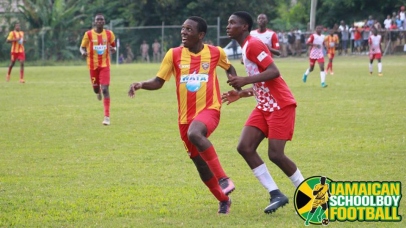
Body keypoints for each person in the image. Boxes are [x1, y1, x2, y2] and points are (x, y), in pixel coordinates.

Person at [127, 16, 237, 214]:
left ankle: (223, 178)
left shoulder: (215, 52)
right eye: (182, 29)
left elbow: (229, 68)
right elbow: (159, 81)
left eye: (189, 29)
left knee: (195, 133)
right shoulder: (174, 54)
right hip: (184, 118)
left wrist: (234, 82)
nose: (183, 32)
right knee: (201, 165)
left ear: (201, 35)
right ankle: (223, 199)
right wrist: (142, 84)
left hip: (210, 109)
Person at [223, 11, 305, 214]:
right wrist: (241, 94)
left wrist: (243, 80)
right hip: (264, 106)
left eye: (232, 23)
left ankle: (311, 195)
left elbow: (273, 72)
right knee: (245, 147)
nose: (228, 26)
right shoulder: (245, 48)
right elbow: (262, 82)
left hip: (280, 105)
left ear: (244, 27)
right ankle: (275, 193)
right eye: (227, 23)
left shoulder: (253, 44)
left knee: (276, 154)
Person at [80, 13, 116, 125]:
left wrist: (113, 49)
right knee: (96, 89)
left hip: (105, 66)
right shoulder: (89, 34)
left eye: (102, 20)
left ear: (104, 22)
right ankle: (98, 91)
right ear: (95, 22)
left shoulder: (109, 34)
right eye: (98, 20)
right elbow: (81, 47)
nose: (100, 21)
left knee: (105, 89)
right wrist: (83, 52)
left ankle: (107, 117)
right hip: (92, 66)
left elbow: (113, 46)